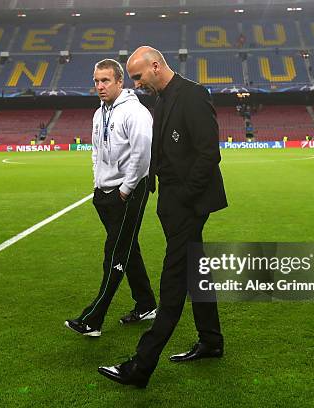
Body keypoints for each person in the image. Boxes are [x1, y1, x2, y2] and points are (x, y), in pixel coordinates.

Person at [98, 46, 228, 388]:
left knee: (172, 285)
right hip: (171, 202)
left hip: (188, 205)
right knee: (197, 271)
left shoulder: (193, 95)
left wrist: (184, 198)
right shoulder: (161, 98)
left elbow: (208, 154)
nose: (136, 84)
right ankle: (211, 341)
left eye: (139, 76)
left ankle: (140, 366)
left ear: (156, 66)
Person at [64, 58, 157, 337]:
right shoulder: (98, 113)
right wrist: (97, 183)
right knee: (129, 249)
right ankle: (147, 304)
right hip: (104, 193)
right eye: (96, 81)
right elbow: (95, 152)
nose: (100, 86)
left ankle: (93, 320)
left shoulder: (135, 112)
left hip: (128, 192)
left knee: (114, 252)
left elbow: (142, 156)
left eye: (105, 81)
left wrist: (125, 190)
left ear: (120, 81)